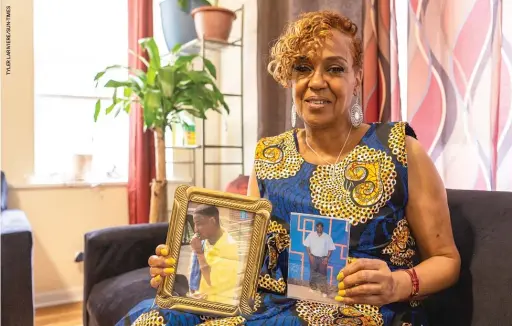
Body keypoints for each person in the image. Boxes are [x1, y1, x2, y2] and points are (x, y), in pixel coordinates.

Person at [118, 10, 460, 326]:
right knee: (156, 318)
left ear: (357, 77)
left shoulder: (400, 148)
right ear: (288, 78)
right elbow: (243, 257)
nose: (317, 81)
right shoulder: (269, 155)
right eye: (302, 67)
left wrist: (398, 284)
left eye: (335, 68)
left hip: (360, 311)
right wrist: (183, 269)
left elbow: (447, 260)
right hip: (267, 300)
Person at [186, 204, 241, 305]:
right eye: (194, 224)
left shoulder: (229, 246)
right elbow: (194, 274)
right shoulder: (203, 242)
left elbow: (211, 282)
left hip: (220, 306)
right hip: (201, 300)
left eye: (199, 224)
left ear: (212, 221)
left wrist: (199, 253)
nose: (196, 230)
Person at [304, 222, 335, 297]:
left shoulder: (327, 237)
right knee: (313, 273)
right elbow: (307, 245)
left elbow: (331, 249)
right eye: (318, 227)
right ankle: (313, 288)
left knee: (323, 275)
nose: (319, 228)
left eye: (321, 227)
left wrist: (327, 258)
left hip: (323, 259)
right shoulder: (311, 235)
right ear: (316, 227)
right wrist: (309, 254)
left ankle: (323, 291)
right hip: (313, 257)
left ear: (323, 228)